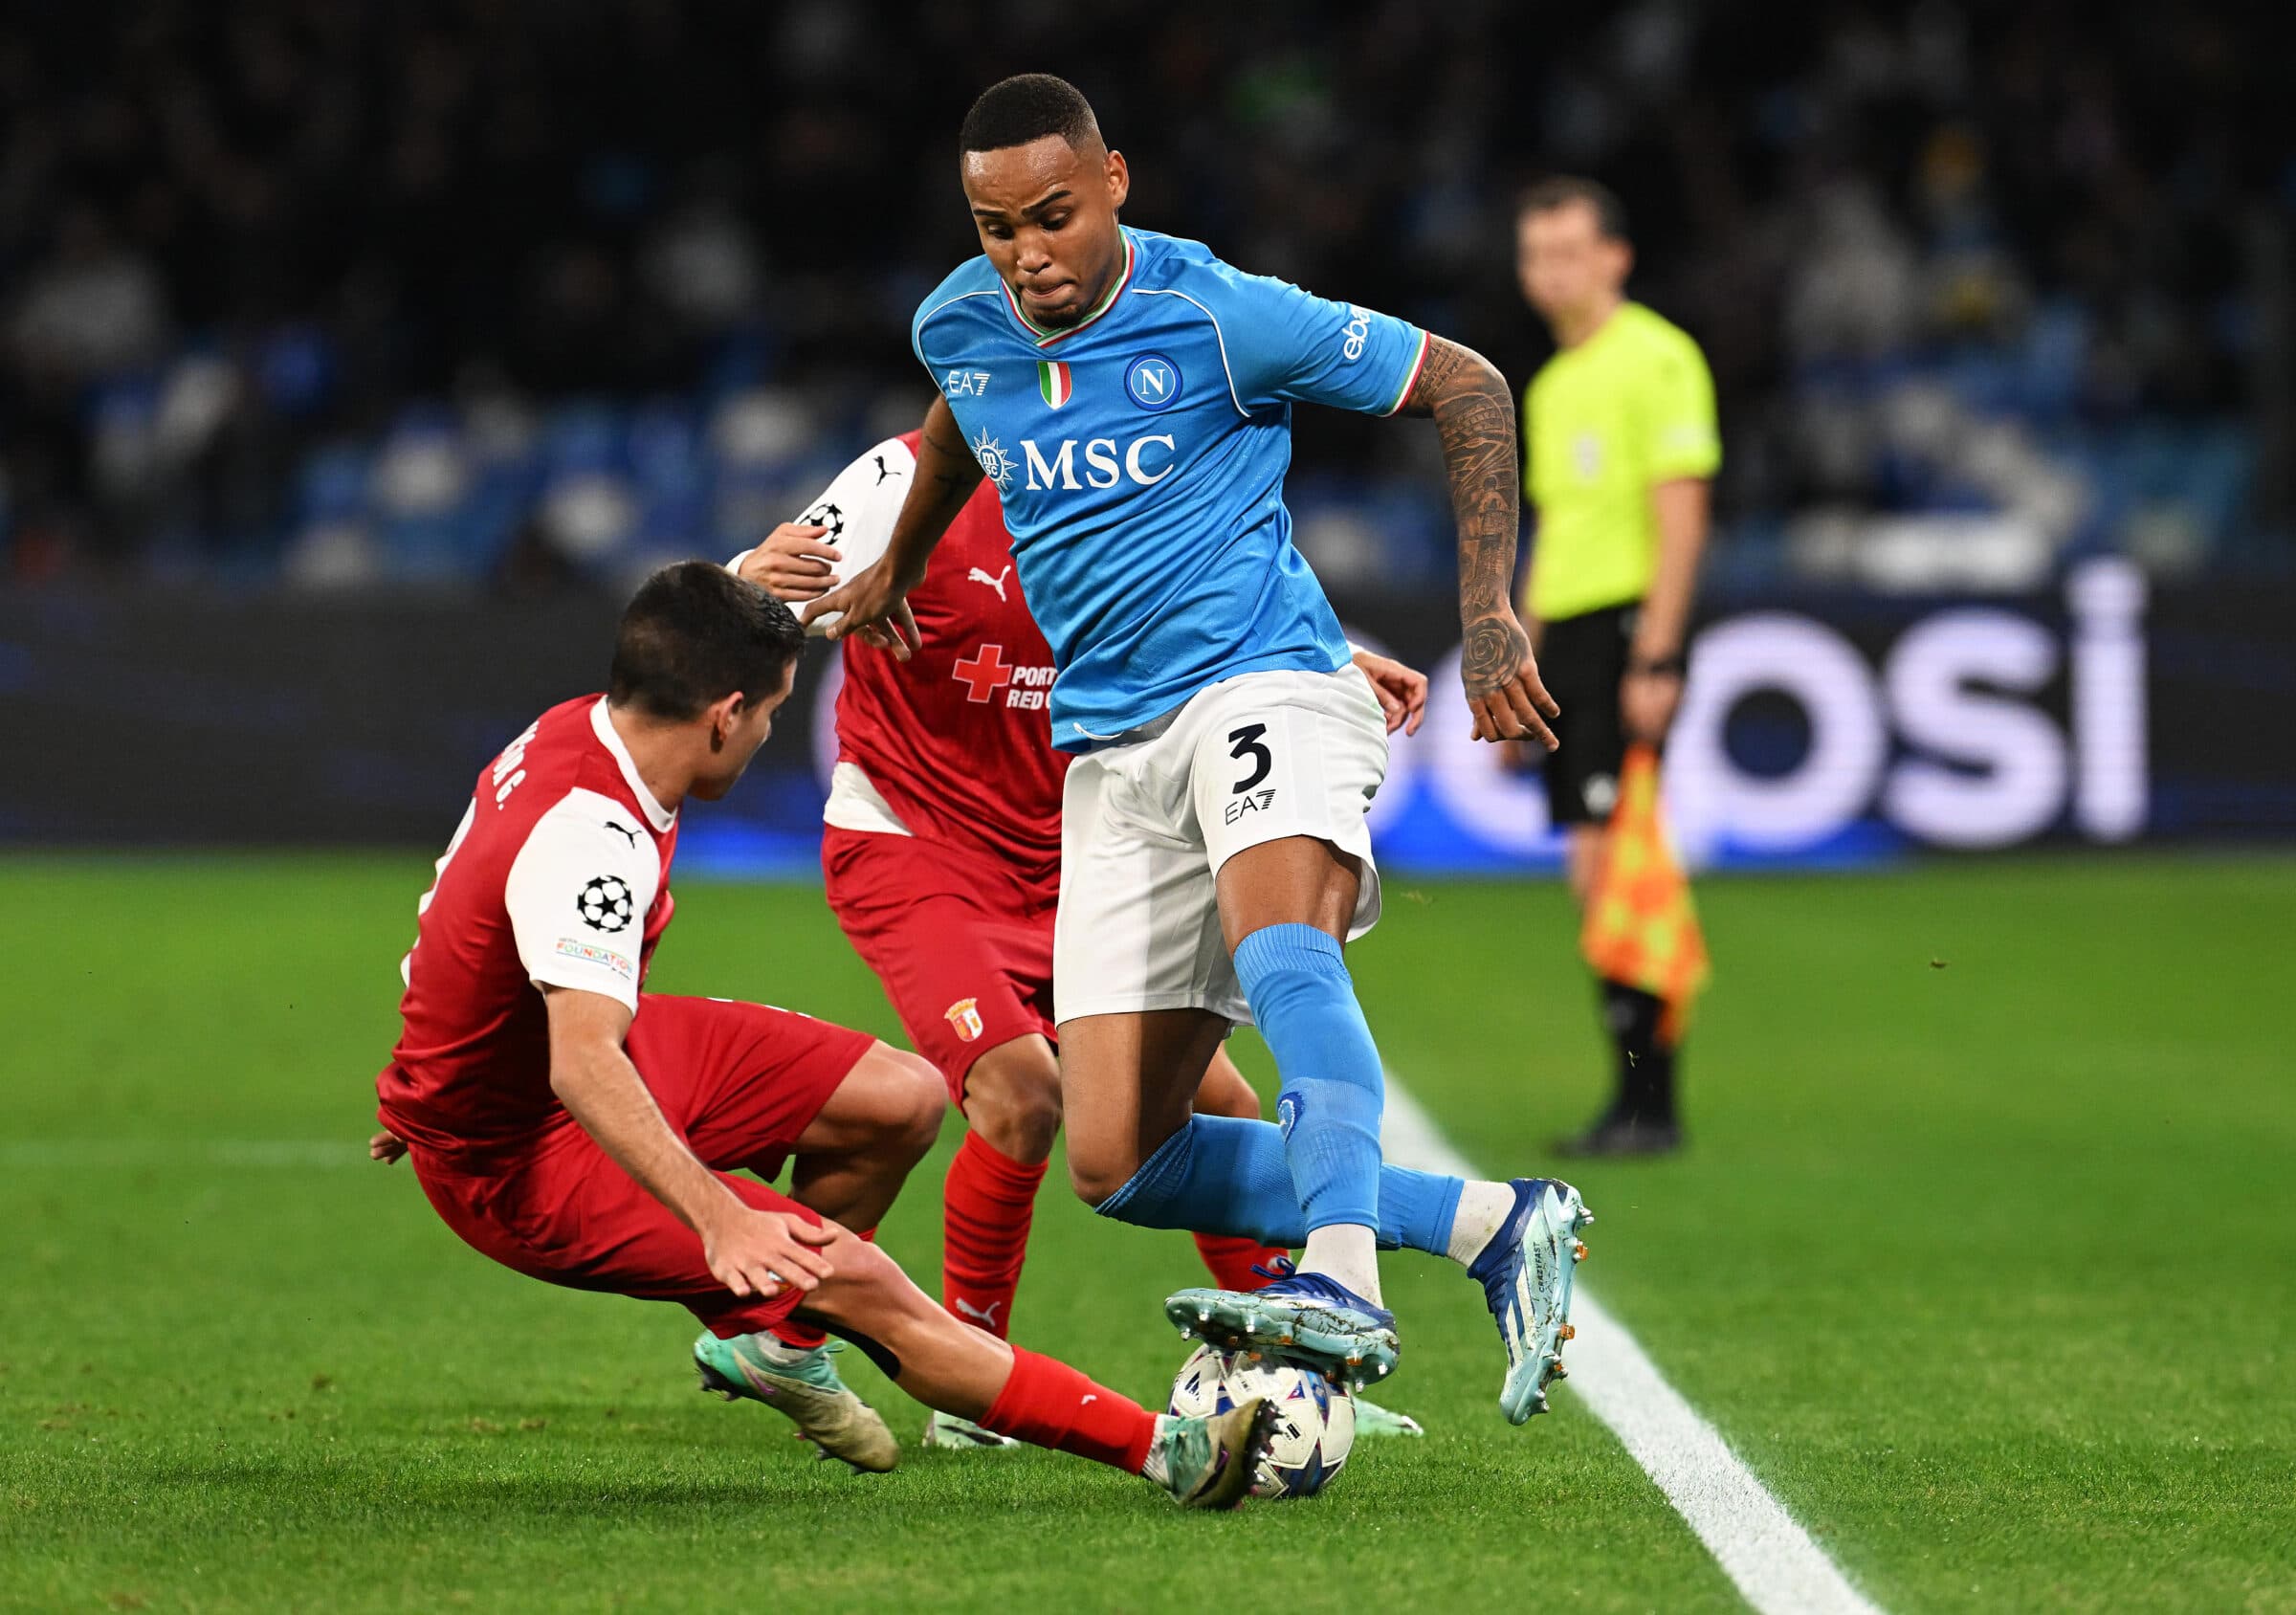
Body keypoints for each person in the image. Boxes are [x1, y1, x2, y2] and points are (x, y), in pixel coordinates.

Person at [805, 74, 1592, 1425]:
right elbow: (957, 419)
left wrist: (1488, 615)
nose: (1029, 253)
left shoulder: (1222, 313)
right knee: (1118, 1160)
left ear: (1115, 180)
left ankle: (1342, 1281)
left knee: (1283, 950)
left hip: (1262, 684)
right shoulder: (959, 322)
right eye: (998, 228)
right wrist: (901, 564)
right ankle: (1489, 1223)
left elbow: (1468, 384)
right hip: (1112, 755)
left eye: (1055, 215)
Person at [369, 561, 1272, 1506]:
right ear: (724, 714)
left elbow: (461, 910)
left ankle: (778, 1342)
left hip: (556, 1064)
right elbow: (582, 1063)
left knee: (903, 1096)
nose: (769, 733)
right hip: (521, 1154)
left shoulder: (581, 729)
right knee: (858, 1280)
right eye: (769, 713)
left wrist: (426, 1070)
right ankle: (1173, 1452)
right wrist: (721, 1217)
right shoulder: (593, 835)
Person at [735, 434, 1429, 1446]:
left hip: (1067, 858)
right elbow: (752, 611)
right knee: (1022, 1094)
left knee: (1215, 1104)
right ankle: (971, 1385)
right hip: (915, 844)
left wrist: (1323, 662)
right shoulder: (899, 484)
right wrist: (745, 581)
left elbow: (1218, 608)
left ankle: (1293, 1369)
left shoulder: (1126, 474)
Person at [1513, 178, 1720, 1158]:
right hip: (1572, 639)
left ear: (1615, 257)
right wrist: (1517, 663)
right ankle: (1637, 1099)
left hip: (1627, 627)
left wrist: (1659, 652)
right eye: (1535, 255)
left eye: (1568, 251)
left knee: (1619, 862)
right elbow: (1555, 532)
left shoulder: (1658, 358)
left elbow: (1681, 514)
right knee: (1591, 865)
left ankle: (1650, 1104)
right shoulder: (1553, 385)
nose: (1549, 272)